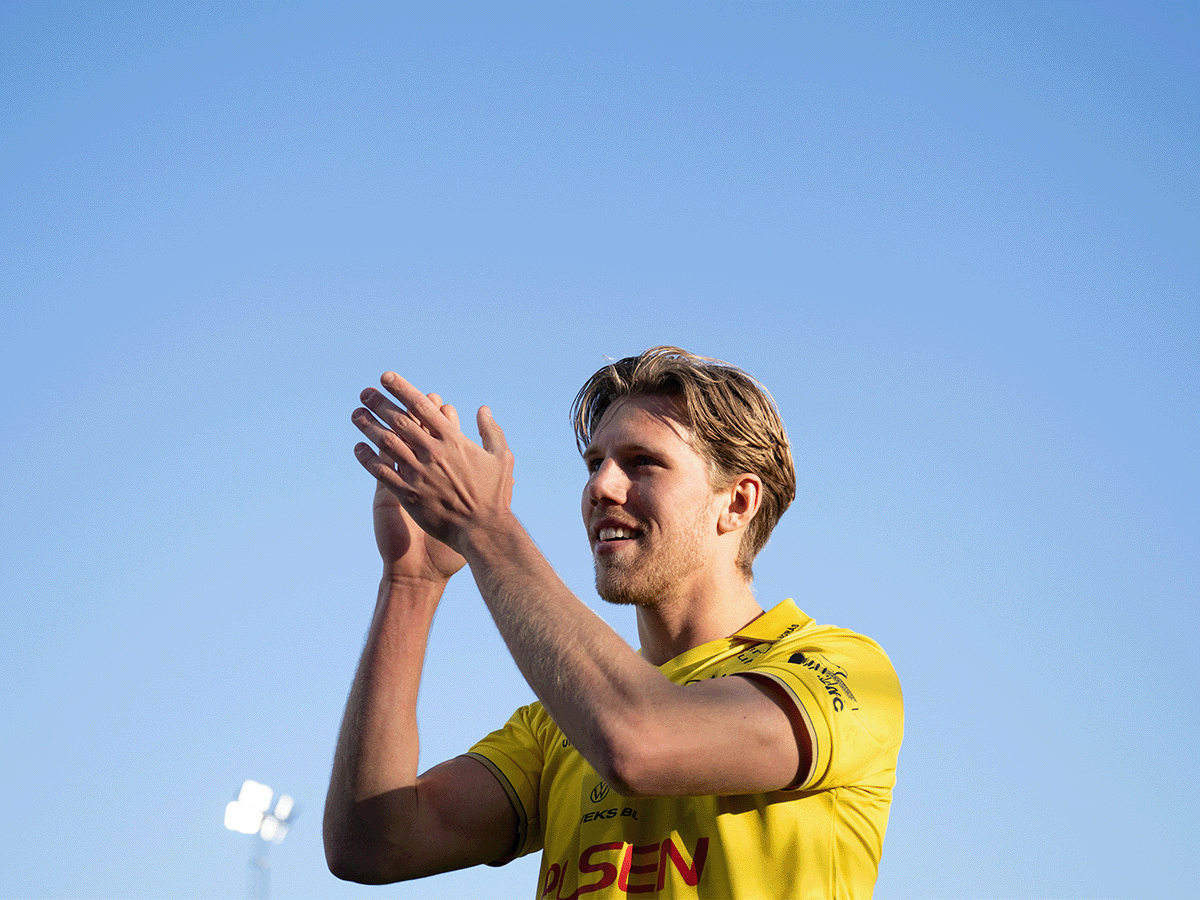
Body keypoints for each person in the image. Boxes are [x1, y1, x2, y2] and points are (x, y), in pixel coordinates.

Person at [324, 346, 903, 899]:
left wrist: (486, 527)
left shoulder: (844, 670)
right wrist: (411, 583)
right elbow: (371, 845)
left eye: (642, 462)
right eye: (595, 463)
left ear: (737, 503)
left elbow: (641, 741)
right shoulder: (556, 724)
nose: (600, 486)